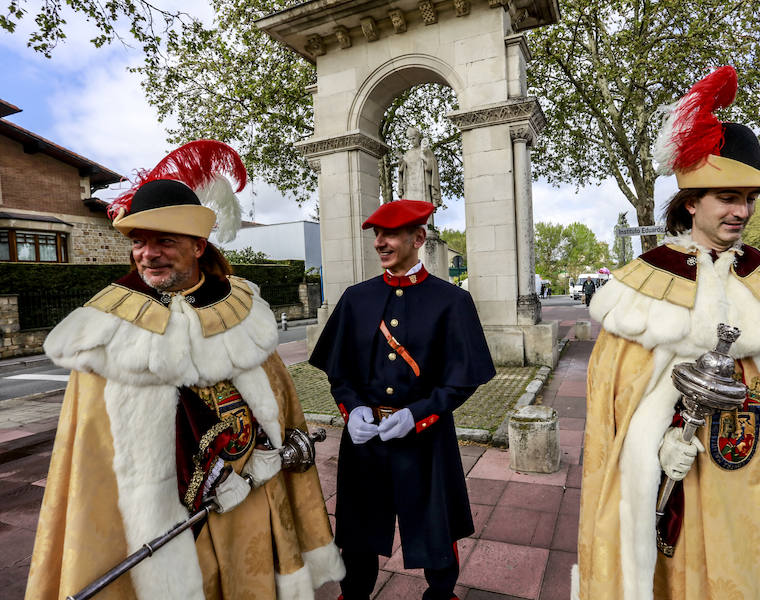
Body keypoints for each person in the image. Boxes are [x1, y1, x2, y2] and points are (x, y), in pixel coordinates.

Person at [573, 67, 760, 599]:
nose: (743, 212)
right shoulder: (643, 285)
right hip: (687, 487)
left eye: (750, 199)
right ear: (692, 202)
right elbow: (616, 401)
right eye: (729, 198)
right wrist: (655, 446)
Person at [26, 141, 344, 600]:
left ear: (197, 246)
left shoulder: (242, 311)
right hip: (160, 523)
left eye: (164, 241)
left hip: (251, 501)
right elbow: (89, 457)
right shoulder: (104, 331)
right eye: (139, 242)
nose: (147, 254)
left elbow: (278, 401)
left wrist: (280, 444)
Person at [309, 199, 495, 600]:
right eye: (377, 234)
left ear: (419, 237)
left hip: (426, 441)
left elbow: (461, 381)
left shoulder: (451, 301)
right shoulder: (356, 299)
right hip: (366, 441)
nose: (380, 242)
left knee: (436, 532)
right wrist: (352, 408)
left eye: (390, 234)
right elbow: (339, 373)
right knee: (357, 533)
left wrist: (418, 415)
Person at [398, 127, 442, 212]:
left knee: (423, 208)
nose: (412, 141)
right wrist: (401, 161)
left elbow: (432, 166)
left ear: (418, 137)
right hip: (409, 186)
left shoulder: (426, 151)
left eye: (414, 138)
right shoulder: (407, 153)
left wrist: (424, 157)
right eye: (410, 139)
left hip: (423, 185)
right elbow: (402, 170)